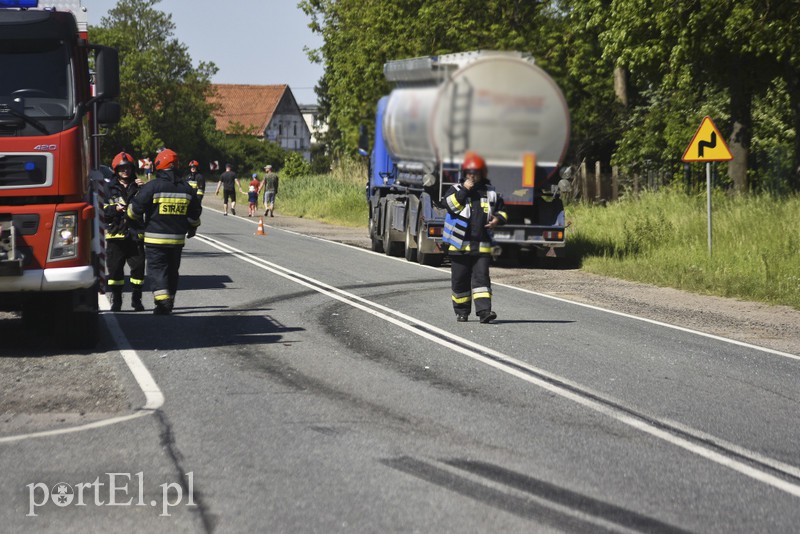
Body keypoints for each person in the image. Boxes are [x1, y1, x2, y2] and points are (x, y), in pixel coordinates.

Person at [128, 149, 202, 315]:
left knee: (157, 269)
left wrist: (134, 221)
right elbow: (195, 214)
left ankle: (163, 302)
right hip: (177, 241)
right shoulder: (187, 188)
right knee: (172, 271)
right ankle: (169, 300)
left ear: (158, 164)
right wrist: (192, 228)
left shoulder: (152, 186)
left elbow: (134, 211)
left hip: (155, 240)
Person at [442, 151, 507, 323]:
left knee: (481, 279)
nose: (472, 176)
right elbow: (449, 206)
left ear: (482, 174)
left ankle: (485, 312)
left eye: (476, 173)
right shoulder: (455, 190)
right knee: (460, 281)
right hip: (458, 246)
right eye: (470, 173)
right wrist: (465, 189)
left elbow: (503, 211)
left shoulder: (490, 192)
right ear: (465, 173)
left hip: (481, 246)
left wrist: (498, 219)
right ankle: (462, 311)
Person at [104, 151, 146, 312]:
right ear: (116, 169)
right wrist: (114, 209)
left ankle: (137, 299)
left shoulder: (139, 187)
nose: (125, 171)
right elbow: (100, 210)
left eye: (128, 168)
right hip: (115, 235)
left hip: (135, 235)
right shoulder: (108, 188)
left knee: (138, 269)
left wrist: (144, 189)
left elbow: (148, 207)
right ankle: (117, 300)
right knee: (115, 271)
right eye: (122, 168)